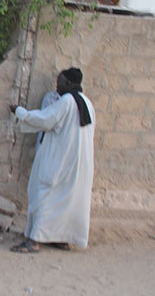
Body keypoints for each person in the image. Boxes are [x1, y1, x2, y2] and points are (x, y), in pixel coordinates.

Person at [8, 67, 95, 253]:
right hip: (77, 166)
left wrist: (20, 112)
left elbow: (45, 120)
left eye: (61, 81)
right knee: (66, 201)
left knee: (44, 196)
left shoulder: (66, 102)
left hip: (59, 162)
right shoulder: (87, 103)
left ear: (70, 83)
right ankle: (61, 238)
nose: (58, 85)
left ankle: (33, 241)